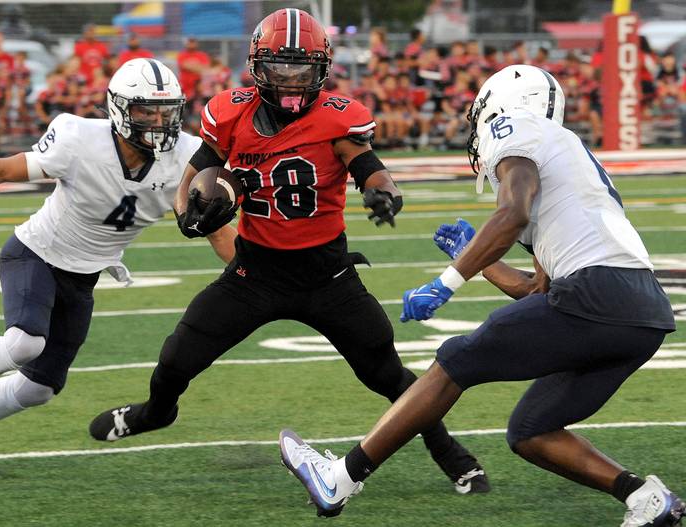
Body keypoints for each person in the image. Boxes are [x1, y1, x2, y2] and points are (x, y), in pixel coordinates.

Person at [89, 8, 489, 503]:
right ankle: (154, 413)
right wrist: (186, 214)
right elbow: (195, 175)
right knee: (175, 359)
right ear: (259, 66)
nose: (291, 79)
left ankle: (449, 452)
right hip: (255, 270)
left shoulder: (337, 118)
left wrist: (382, 192)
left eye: (302, 69)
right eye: (281, 68)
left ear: (321, 69)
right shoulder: (230, 112)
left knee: (388, 374)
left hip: (328, 275)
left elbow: (369, 168)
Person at [278, 64, 684, 526]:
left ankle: (339, 478)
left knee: (456, 360)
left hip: (597, 292)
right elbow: (537, 290)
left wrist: (447, 280)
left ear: (499, 105)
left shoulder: (513, 126)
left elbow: (512, 212)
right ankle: (645, 498)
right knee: (531, 430)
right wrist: (481, 259)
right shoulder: (567, 157)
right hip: (641, 312)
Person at [0, 59, 219, 479]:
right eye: (145, 111)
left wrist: (254, 274)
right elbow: (5, 168)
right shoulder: (79, 138)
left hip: (83, 277)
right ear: (118, 109)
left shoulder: (186, 157)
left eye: (164, 111)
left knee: (39, 388)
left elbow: (216, 231)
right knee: (24, 343)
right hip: (35, 253)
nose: (156, 122)